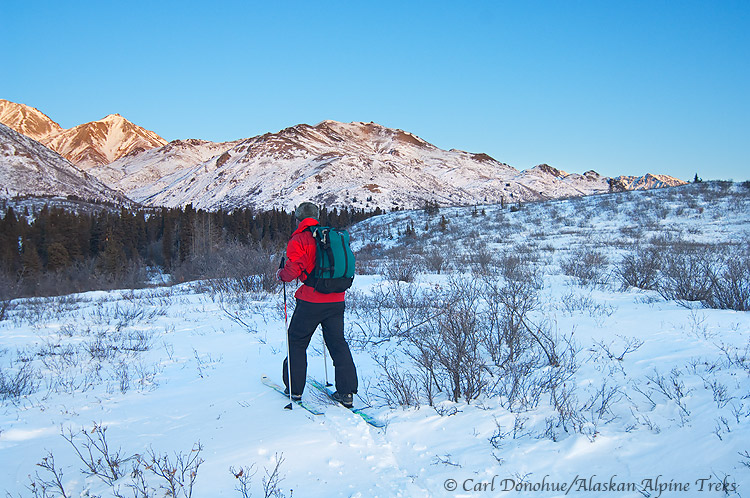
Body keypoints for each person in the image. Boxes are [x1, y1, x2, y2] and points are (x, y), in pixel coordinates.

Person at [276, 202, 358, 408]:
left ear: (298, 219)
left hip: (311, 300)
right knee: (338, 343)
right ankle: (346, 393)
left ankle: (294, 390)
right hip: (337, 299)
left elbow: (293, 270)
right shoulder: (329, 236)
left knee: (296, 341)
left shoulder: (300, 238)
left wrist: (281, 274)